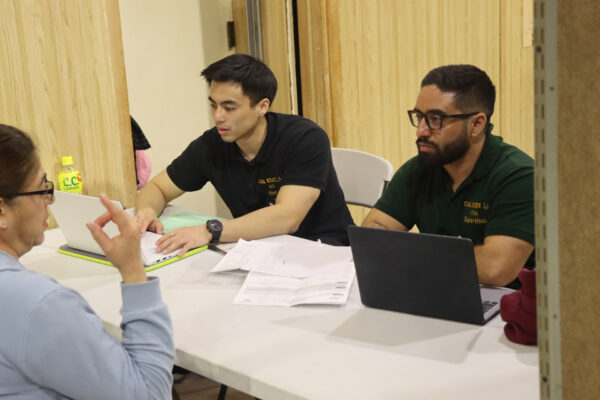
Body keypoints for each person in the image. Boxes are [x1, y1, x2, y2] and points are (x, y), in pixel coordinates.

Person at [0, 124, 174, 399]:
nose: (51, 198)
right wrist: (133, 270)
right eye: (41, 189)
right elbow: (150, 395)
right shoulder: (38, 305)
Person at [135, 54, 353, 253]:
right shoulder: (211, 144)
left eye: (229, 108)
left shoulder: (305, 138)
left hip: (325, 251)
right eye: (213, 106)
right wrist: (146, 211)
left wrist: (209, 231)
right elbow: (158, 188)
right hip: (258, 250)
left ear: (262, 106)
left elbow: (288, 216)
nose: (218, 116)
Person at [363, 65, 534, 288]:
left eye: (436, 119)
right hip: (443, 288)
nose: (421, 131)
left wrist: (409, 255)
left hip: (512, 306)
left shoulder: (520, 176)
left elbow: (495, 268)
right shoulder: (421, 169)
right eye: (418, 117)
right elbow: (371, 235)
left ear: (477, 124)